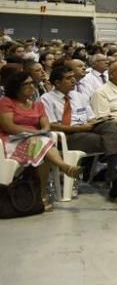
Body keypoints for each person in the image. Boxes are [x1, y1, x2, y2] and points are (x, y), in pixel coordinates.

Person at [1, 71, 82, 210]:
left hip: (36, 142)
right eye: (27, 84)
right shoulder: (6, 102)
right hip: (12, 141)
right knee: (41, 142)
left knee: (43, 151)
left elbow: (46, 125)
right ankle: (63, 168)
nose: (32, 86)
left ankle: (41, 195)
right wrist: (35, 133)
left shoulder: (37, 104)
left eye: (32, 83)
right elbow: (9, 126)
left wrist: (41, 132)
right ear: (16, 86)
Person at [40, 65, 117, 181]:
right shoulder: (46, 99)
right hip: (66, 136)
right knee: (114, 140)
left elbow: (91, 118)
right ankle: (114, 169)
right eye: (68, 78)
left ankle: (113, 167)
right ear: (57, 82)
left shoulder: (79, 96)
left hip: (86, 128)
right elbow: (51, 125)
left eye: (73, 77)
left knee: (110, 125)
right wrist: (80, 129)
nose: (73, 80)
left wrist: (100, 121)